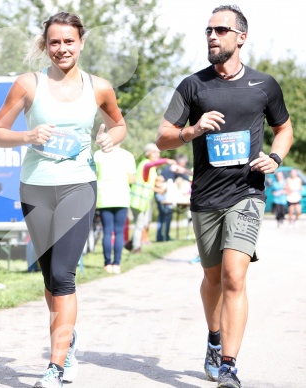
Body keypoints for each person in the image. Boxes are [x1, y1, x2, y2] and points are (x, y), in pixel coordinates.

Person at [156, 5, 293, 388]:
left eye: (221, 29)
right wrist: (192, 130)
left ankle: (229, 366)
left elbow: (285, 128)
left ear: (241, 37)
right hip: (206, 195)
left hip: (247, 192)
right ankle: (214, 339)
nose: (212, 36)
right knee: (212, 278)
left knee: (235, 276)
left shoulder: (264, 85)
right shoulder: (193, 85)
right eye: (208, 30)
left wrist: (276, 157)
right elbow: (162, 137)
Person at [0, 11, 126, 388]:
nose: (61, 48)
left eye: (69, 41)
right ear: (45, 45)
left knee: (65, 274)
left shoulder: (99, 87)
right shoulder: (27, 85)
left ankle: (56, 365)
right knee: (50, 277)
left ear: (80, 43)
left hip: (78, 185)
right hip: (35, 187)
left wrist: (113, 137)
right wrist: (27, 136)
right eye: (54, 42)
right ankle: (68, 340)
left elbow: (119, 123)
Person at [94, 142, 135, 274]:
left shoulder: (98, 155)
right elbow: (132, 179)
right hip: (122, 197)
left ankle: (107, 264)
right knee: (118, 232)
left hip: (104, 197)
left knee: (107, 231)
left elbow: (95, 176)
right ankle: (117, 264)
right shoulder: (127, 155)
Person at [129, 143, 174, 253]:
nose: (158, 154)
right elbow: (148, 168)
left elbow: (149, 184)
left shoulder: (151, 166)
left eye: (159, 152)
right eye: (155, 152)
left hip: (144, 201)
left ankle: (130, 244)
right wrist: (166, 160)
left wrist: (159, 187)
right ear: (148, 153)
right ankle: (136, 248)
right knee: (140, 225)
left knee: (143, 224)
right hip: (138, 201)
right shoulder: (146, 164)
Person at [156, 154, 193, 242]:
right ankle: (165, 237)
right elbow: (186, 177)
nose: (184, 166)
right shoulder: (175, 168)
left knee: (161, 216)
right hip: (164, 195)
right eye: (184, 164)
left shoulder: (169, 167)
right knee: (167, 215)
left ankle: (160, 237)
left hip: (160, 194)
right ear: (181, 163)